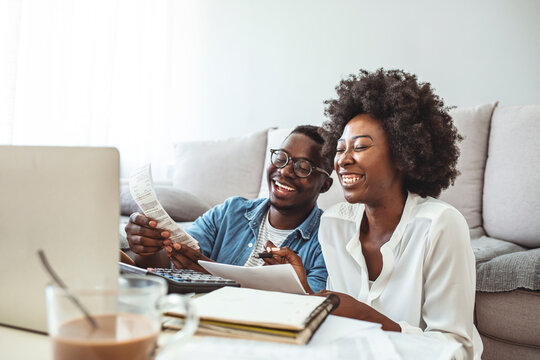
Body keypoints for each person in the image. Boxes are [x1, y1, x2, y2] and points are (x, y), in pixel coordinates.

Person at [269, 69, 482, 359]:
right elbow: (339, 331)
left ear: (402, 155)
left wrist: (373, 319)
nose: (343, 160)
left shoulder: (440, 226)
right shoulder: (334, 224)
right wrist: (305, 292)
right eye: (340, 148)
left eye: (360, 147)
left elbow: (458, 351)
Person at [125, 125, 334, 293]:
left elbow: (313, 303)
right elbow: (170, 266)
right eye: (281, 158)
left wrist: (215, 278)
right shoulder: (230, 212)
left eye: (303, 167)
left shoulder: (328, 240)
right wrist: (147, 248)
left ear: (324, 185)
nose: (285, 171)